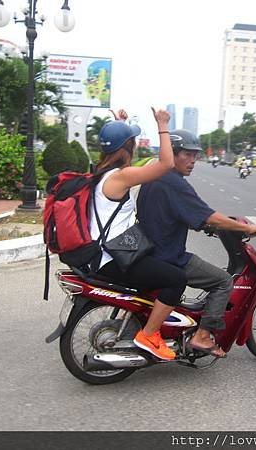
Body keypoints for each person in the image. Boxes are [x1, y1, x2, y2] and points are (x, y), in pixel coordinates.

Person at [137, 129, 256, 358]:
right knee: (224, 281)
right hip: (169, 257)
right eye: (188, 154)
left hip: (148, 252)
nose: (193, 160)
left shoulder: (153, 176)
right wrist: (247, 228)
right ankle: (203, 335)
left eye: (196, 155)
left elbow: (177, 212)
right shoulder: (174, 182)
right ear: (173, 153)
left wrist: (202, 224)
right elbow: (208, 215)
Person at [91, 108, 187, 362]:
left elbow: (122, 156)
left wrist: (119, 124)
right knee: (176, 278)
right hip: (112, 258)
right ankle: (149, 335)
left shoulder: (99, 172)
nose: (134, 148)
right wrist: (163, 125)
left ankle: (144, 319)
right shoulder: (121, 177)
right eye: (131, 143)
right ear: (127, 147)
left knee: (157, 266)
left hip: (103, 253)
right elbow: (166, 164)